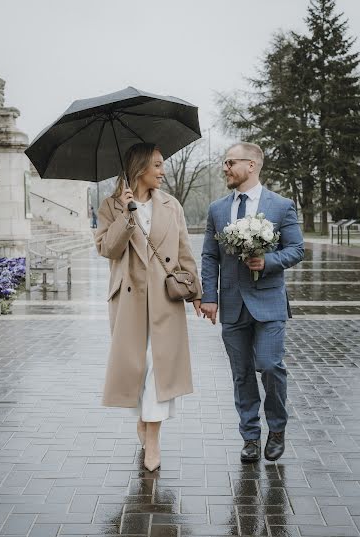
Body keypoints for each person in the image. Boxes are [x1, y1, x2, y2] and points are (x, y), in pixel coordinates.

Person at [95, 142, 201, 471]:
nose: (163, 171)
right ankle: (142, 418)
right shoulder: (111, 205)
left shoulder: (171, 205)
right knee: (135, 367)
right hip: (128, 298)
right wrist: (127, 217)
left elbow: (183, 252)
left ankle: (153, 438)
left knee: (159, 366)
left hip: (164, 298)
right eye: (157, 165)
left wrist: (196, 292)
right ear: (140, 168)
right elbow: (107, 249)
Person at [201, 142, 304, 463]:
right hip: (232, 304)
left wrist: (267, 261)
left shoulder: (281, 206)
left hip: (269, 303)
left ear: (252, 165)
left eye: (231, 162)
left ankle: (277, 428)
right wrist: (209, 297)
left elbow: (297, 249)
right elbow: (208, 255)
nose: (225, 168)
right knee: (242, 373)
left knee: (271, 366)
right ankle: (249, 436)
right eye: (225, 163)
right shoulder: (217, 209)